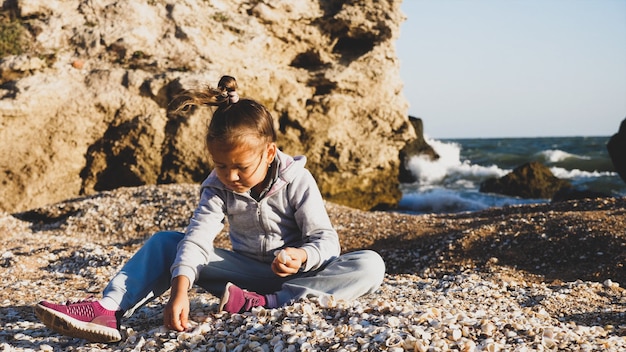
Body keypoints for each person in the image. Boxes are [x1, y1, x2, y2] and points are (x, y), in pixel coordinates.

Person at [34, 75, 386, 343]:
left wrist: (302, 256)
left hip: (299, 279)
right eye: (221, 166)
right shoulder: (216, 187)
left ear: (268, 152)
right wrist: (180, 290)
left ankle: (271, 303)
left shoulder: (298, 180)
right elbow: (198, 239)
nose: (231, 176)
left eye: (241, 168)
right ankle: (109, 310)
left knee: (370, 264)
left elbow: (326, 240)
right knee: (167, 242)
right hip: (242, 278)